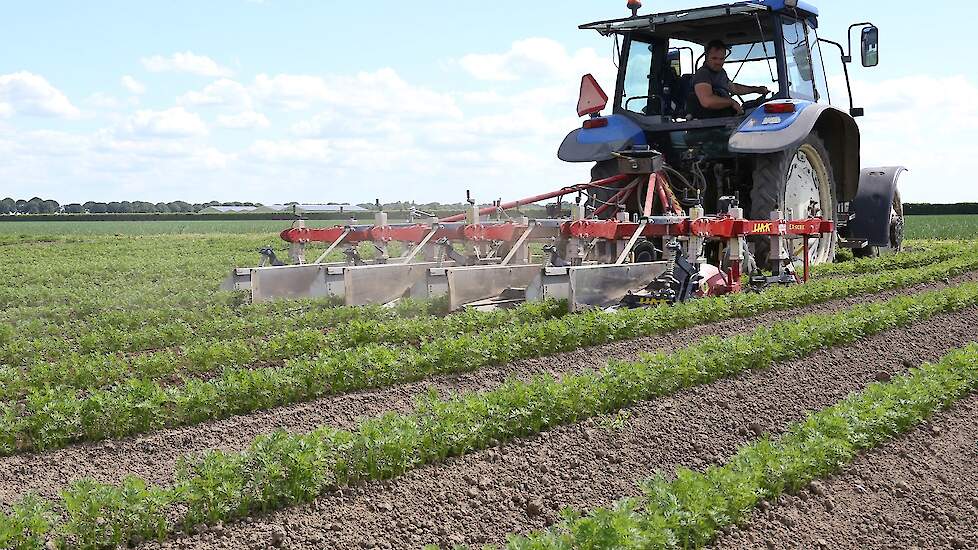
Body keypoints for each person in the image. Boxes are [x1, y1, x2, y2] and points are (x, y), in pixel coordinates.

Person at [689, 39, 770, 118]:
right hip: (710, 122)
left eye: (721, 59)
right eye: (714, 58)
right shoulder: (703, 74)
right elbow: (707, 101)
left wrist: (756, 89)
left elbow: (734, 88)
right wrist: (731, 102)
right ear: (707, 57)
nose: (718, 62)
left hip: (725, 117)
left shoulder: (721, 72)